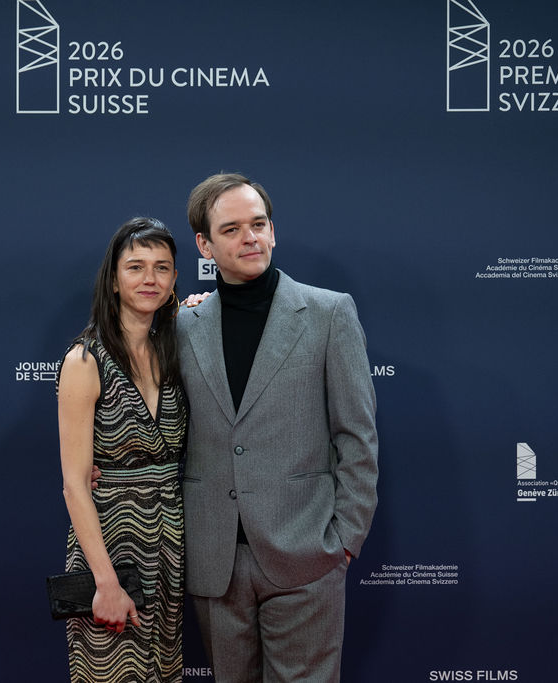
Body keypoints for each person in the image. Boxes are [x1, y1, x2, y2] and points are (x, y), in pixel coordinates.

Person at [178, 173, 379, 682]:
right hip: (214, 559)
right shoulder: (181, 326)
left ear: (273, 230)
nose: (249, 237)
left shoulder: (330, 313)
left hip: (307, 552)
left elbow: (356, 436)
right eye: (231, 229)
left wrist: (344, 540)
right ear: (204, 245)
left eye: (258, 224)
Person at [57, 217, 188, 682]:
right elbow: (75, 485)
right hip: (110, 550)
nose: (150, 279)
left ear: (174, 279)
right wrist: (106, 583)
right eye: (135, 267)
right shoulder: (85, 360)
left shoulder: (176, 350)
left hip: (168, 549)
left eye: (162, 268)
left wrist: (199, 308)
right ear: (113, 280)